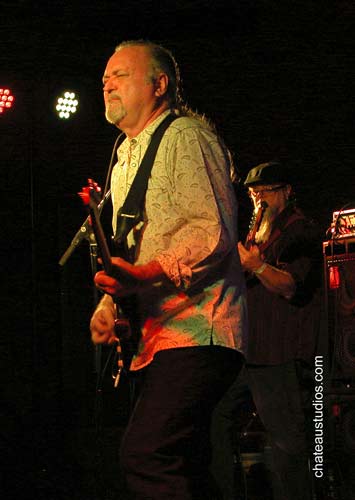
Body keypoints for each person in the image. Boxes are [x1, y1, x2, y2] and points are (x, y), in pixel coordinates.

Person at [89, 39, 247, 499]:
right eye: (104, 78)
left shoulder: (186, 136)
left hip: (200, 328)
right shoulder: (122, 160)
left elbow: (212, 232)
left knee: (147, 454)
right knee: (187, 466)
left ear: (160, 84)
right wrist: (109, 300)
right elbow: (132, 250)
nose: (106, 83)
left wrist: (143, 276)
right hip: (156, 337)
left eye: (119, 74)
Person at [211, 160, 322, 500]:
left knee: (287, 442)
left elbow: (292, 286)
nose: (259, 201)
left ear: (287, 192)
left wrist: (256, 264)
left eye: (267, 193)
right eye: (253, 194)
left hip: (278, 351)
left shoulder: (298, 230)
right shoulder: (255, 233)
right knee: (215, 418)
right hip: (247, 349)